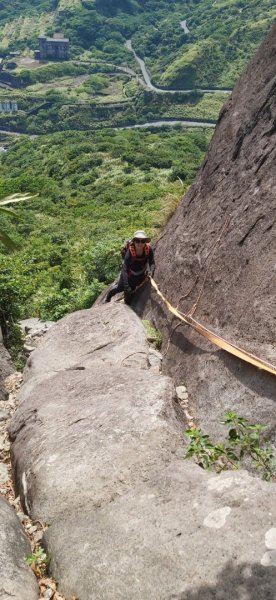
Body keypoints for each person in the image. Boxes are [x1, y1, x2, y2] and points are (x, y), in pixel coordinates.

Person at [105, 230, 155, 304]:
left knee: (131, 294)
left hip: (139, 275)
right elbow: (124, 269)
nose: (140, 243)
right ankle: (108, 297)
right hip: (128, 275)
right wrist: (126, 286)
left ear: (145, 242)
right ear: (134, 241)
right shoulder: (130, 252)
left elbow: (152, 262)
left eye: (143, 241)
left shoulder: (148, 249)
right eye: (137, 241)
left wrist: (152, 270)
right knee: (120, 289)